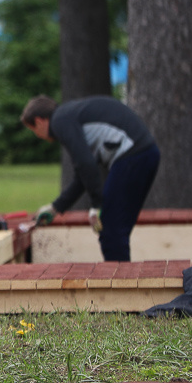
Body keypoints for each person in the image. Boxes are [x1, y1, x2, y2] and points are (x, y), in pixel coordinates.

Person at [20, 94, 160, 262]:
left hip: (133, 156)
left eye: (33, 129)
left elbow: (85, 163)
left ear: (39, 121)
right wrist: (56, 207)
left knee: (110, 230)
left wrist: (96, 204)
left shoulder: (60, 121)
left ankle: (121, 284)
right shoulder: (70, 116)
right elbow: (83, 173)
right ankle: (123, 279)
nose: (37, 135)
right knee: (116, 229)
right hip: (146, 154)